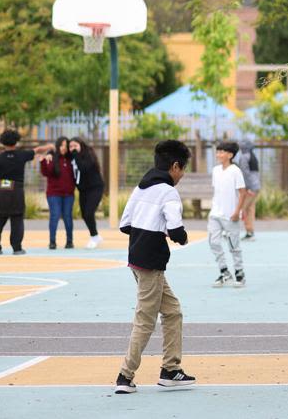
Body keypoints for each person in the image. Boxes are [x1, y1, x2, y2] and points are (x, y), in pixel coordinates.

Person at [115, 139, 195, 394]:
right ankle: (125, 376)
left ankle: (171, 370)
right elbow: (175, 227)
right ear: (174, 166)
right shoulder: (168, 191)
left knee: (173, 311)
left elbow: (124, 223)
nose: (182, 175)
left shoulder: (141, 187)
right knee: (145, 319)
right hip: (151, 263)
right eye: (182, 169)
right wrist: (180, 237)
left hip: (137, 258)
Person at [0, 130, 52, 255]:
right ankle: (17, 247)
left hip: (2, 190)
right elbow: (37, 150)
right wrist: (49, 146)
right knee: (17, 218)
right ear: (16, 141)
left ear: (2, 142)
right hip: (16, 190)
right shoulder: (22, 155)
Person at [209, 141, 247, 287]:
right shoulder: (215, 170)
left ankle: (239, 273)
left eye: (222, 152)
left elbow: (242, 193)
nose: (218, 154)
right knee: (214, 242)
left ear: (230, 155)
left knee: (233, 246)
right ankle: (224, 272)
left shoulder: (235, 171)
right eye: (217, 151)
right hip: (215, 214)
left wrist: (237, 211)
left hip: (231, 216)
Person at [40, 137, 76, 250]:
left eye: (66, 146)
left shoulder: (72, 160)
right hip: (54, 194)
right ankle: (52, 242)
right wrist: (43, 161)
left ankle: (69, 241)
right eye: (62, 145)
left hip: (69, 195)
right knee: (54, 216)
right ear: (57, 146)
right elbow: (45, 172)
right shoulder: (52, 158)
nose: (64, 148)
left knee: (68, 217)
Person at [70, 138, 106, 249]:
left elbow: (83, 168)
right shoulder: (71, 158)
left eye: (75, 146)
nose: (73, 149)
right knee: (84, 214)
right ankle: (96, 235)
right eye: (71, 147)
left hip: (95, 188)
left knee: (89, 213)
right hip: (83, 190)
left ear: (81, 145)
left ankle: (94, 237)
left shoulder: (88, 155)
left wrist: (75, 155)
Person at [234, 139, 261, 240]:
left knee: (243, 209)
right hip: (256, 186)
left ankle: (248, 231)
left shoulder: (244, 157)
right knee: (250, 209)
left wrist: (248, 188)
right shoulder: (253, 156)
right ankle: (250, 231)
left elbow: (245, 174)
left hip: (250, 187)